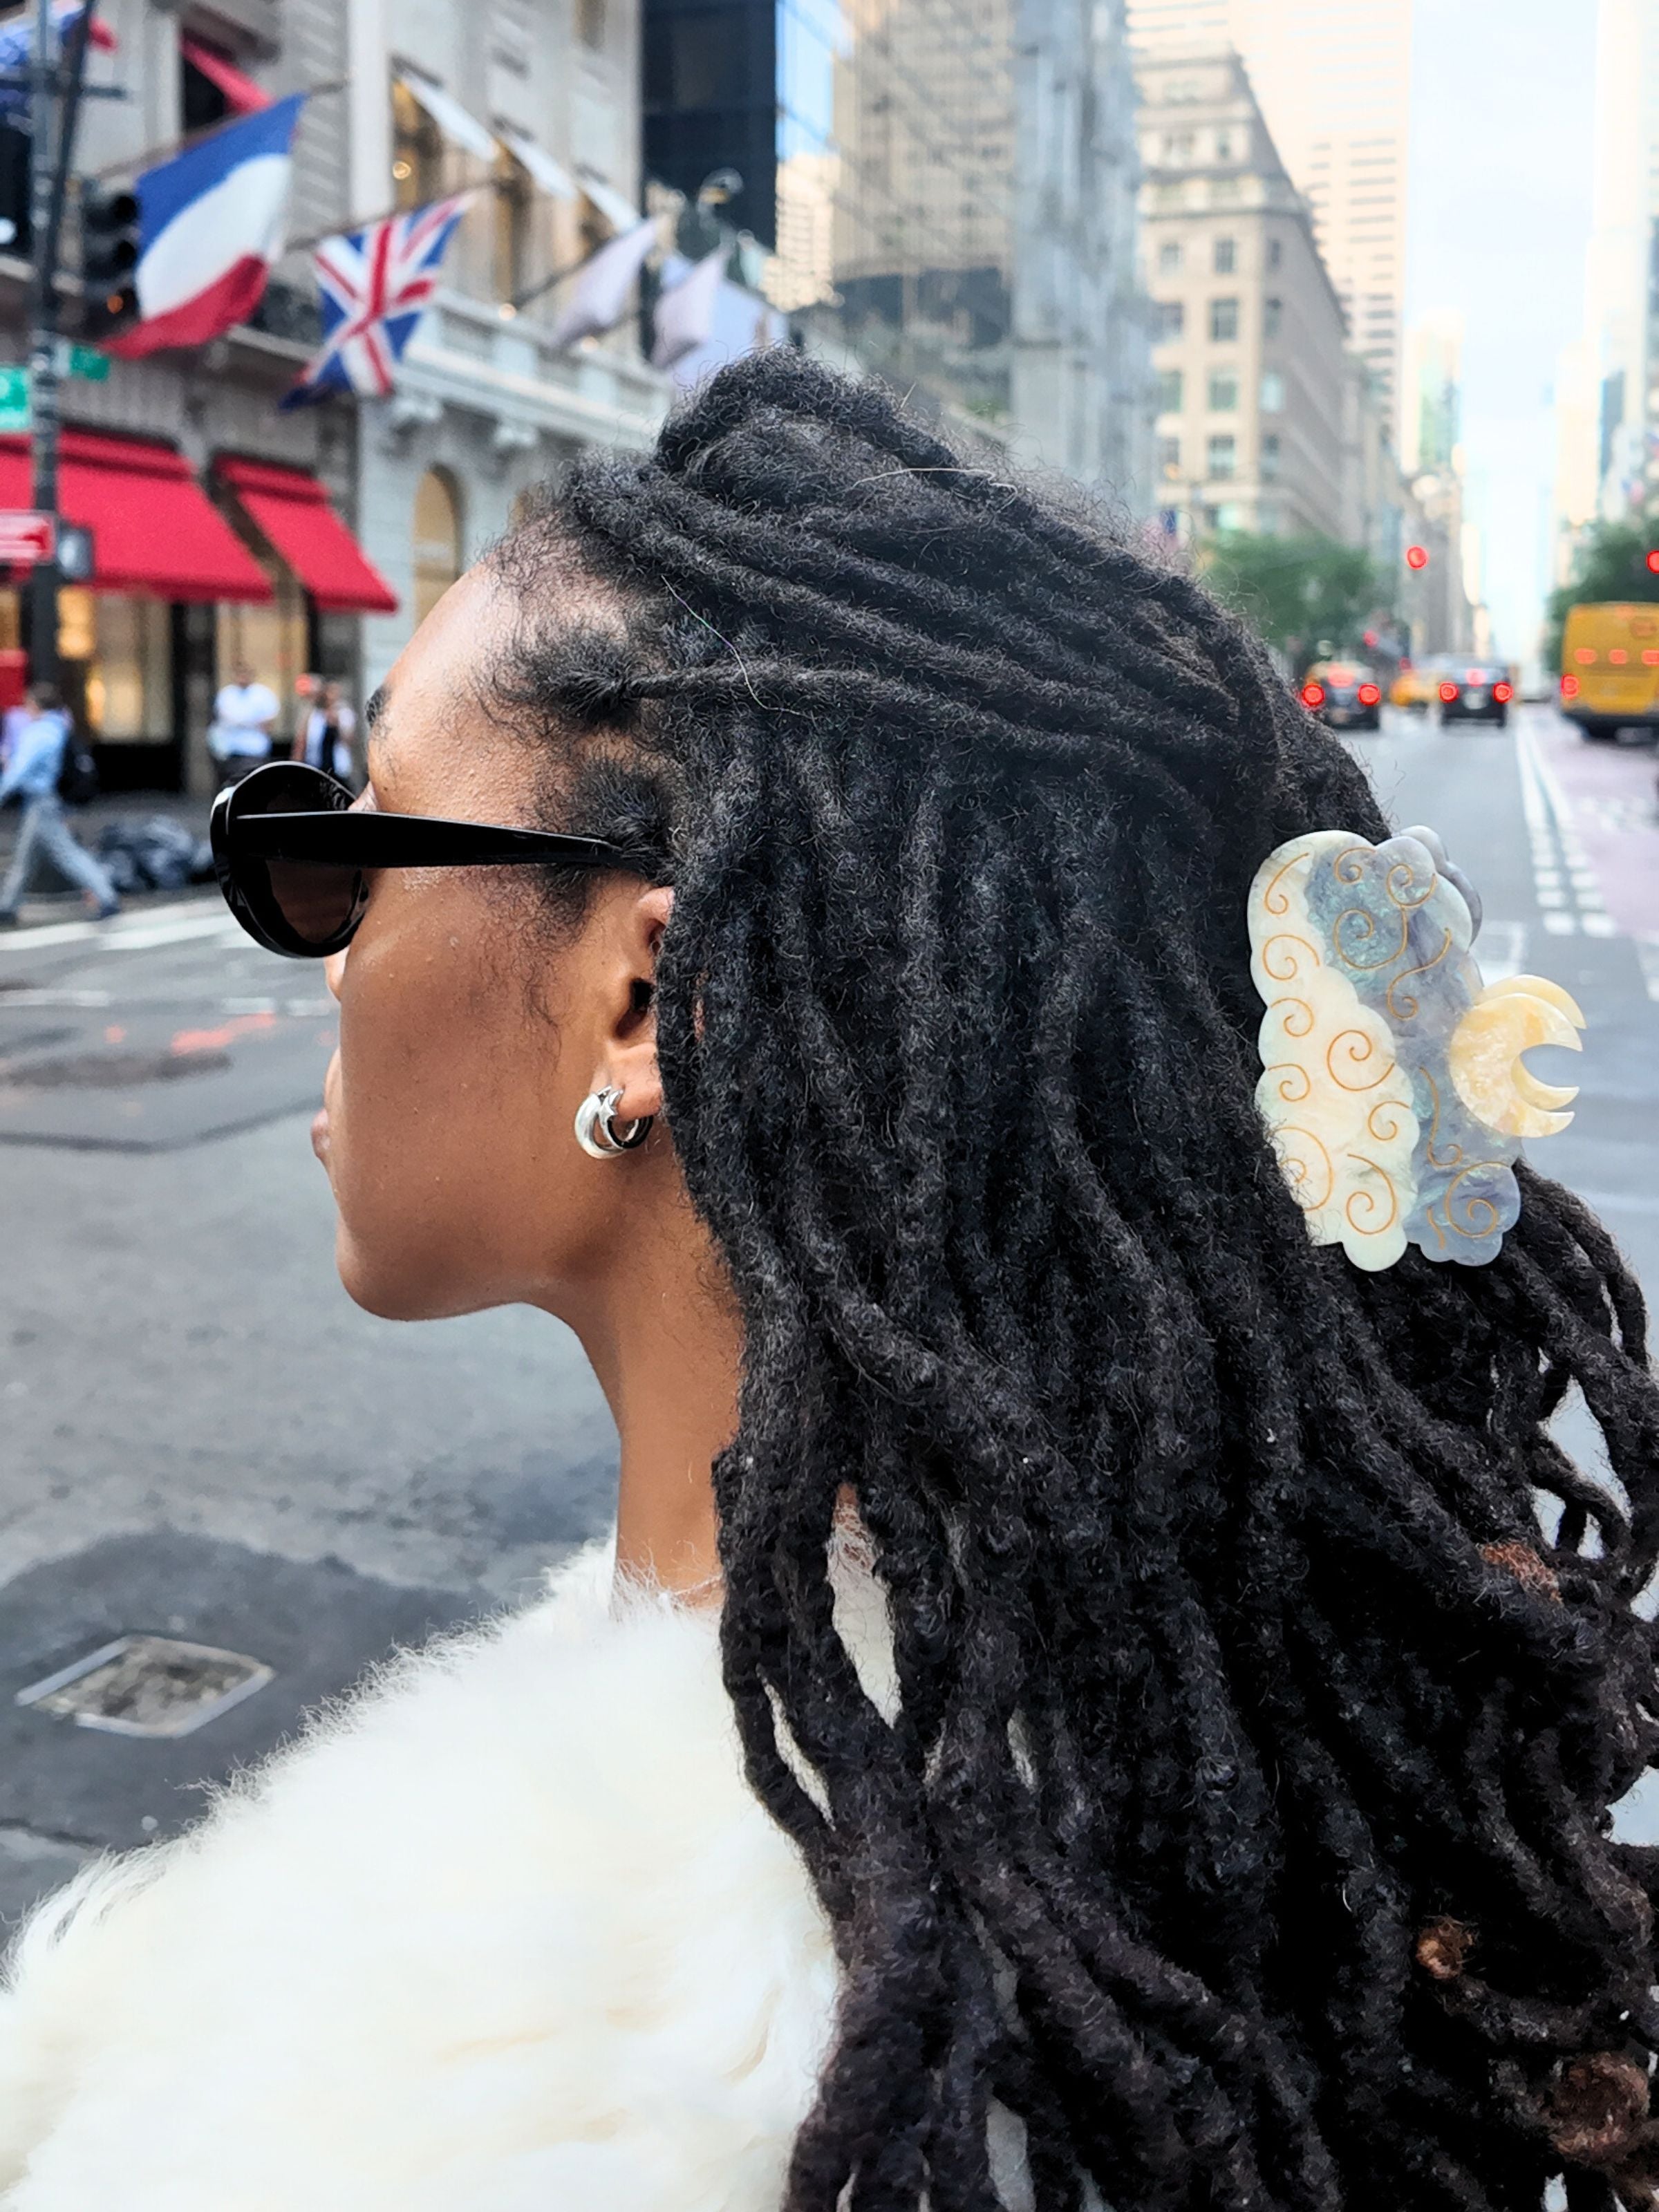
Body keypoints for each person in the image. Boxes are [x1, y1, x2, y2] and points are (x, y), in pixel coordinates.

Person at [3, 356, 1658, 2212]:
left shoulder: (383, 2130)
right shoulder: (1130, 1804)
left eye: (351, 847)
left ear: (643, 998)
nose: (322, 955)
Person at [0, 682, 119, 926]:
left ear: (35, 705)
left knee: (66, 854)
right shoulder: (60, 727)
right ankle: (8, 906)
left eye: (28, 705)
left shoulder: (39, 733)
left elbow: (21, 769)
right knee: (25, 857)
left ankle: (106, 896)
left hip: (42, 803)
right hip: (45, 802)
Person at [206, 658, 279, 786]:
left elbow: (268, 723)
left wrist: (241, 722)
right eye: (239, 674)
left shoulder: (263, 694)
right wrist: (251, 723)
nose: (243, 677)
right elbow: (223, 718)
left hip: (255, 751)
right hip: (230, 751)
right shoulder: (227, 694)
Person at [291, 675, 357, 782]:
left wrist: (337, 725)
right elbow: (303, 741)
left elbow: (349, 741)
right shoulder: (314, 714)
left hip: (338, 768)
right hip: (315, 765)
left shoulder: (344, 713)